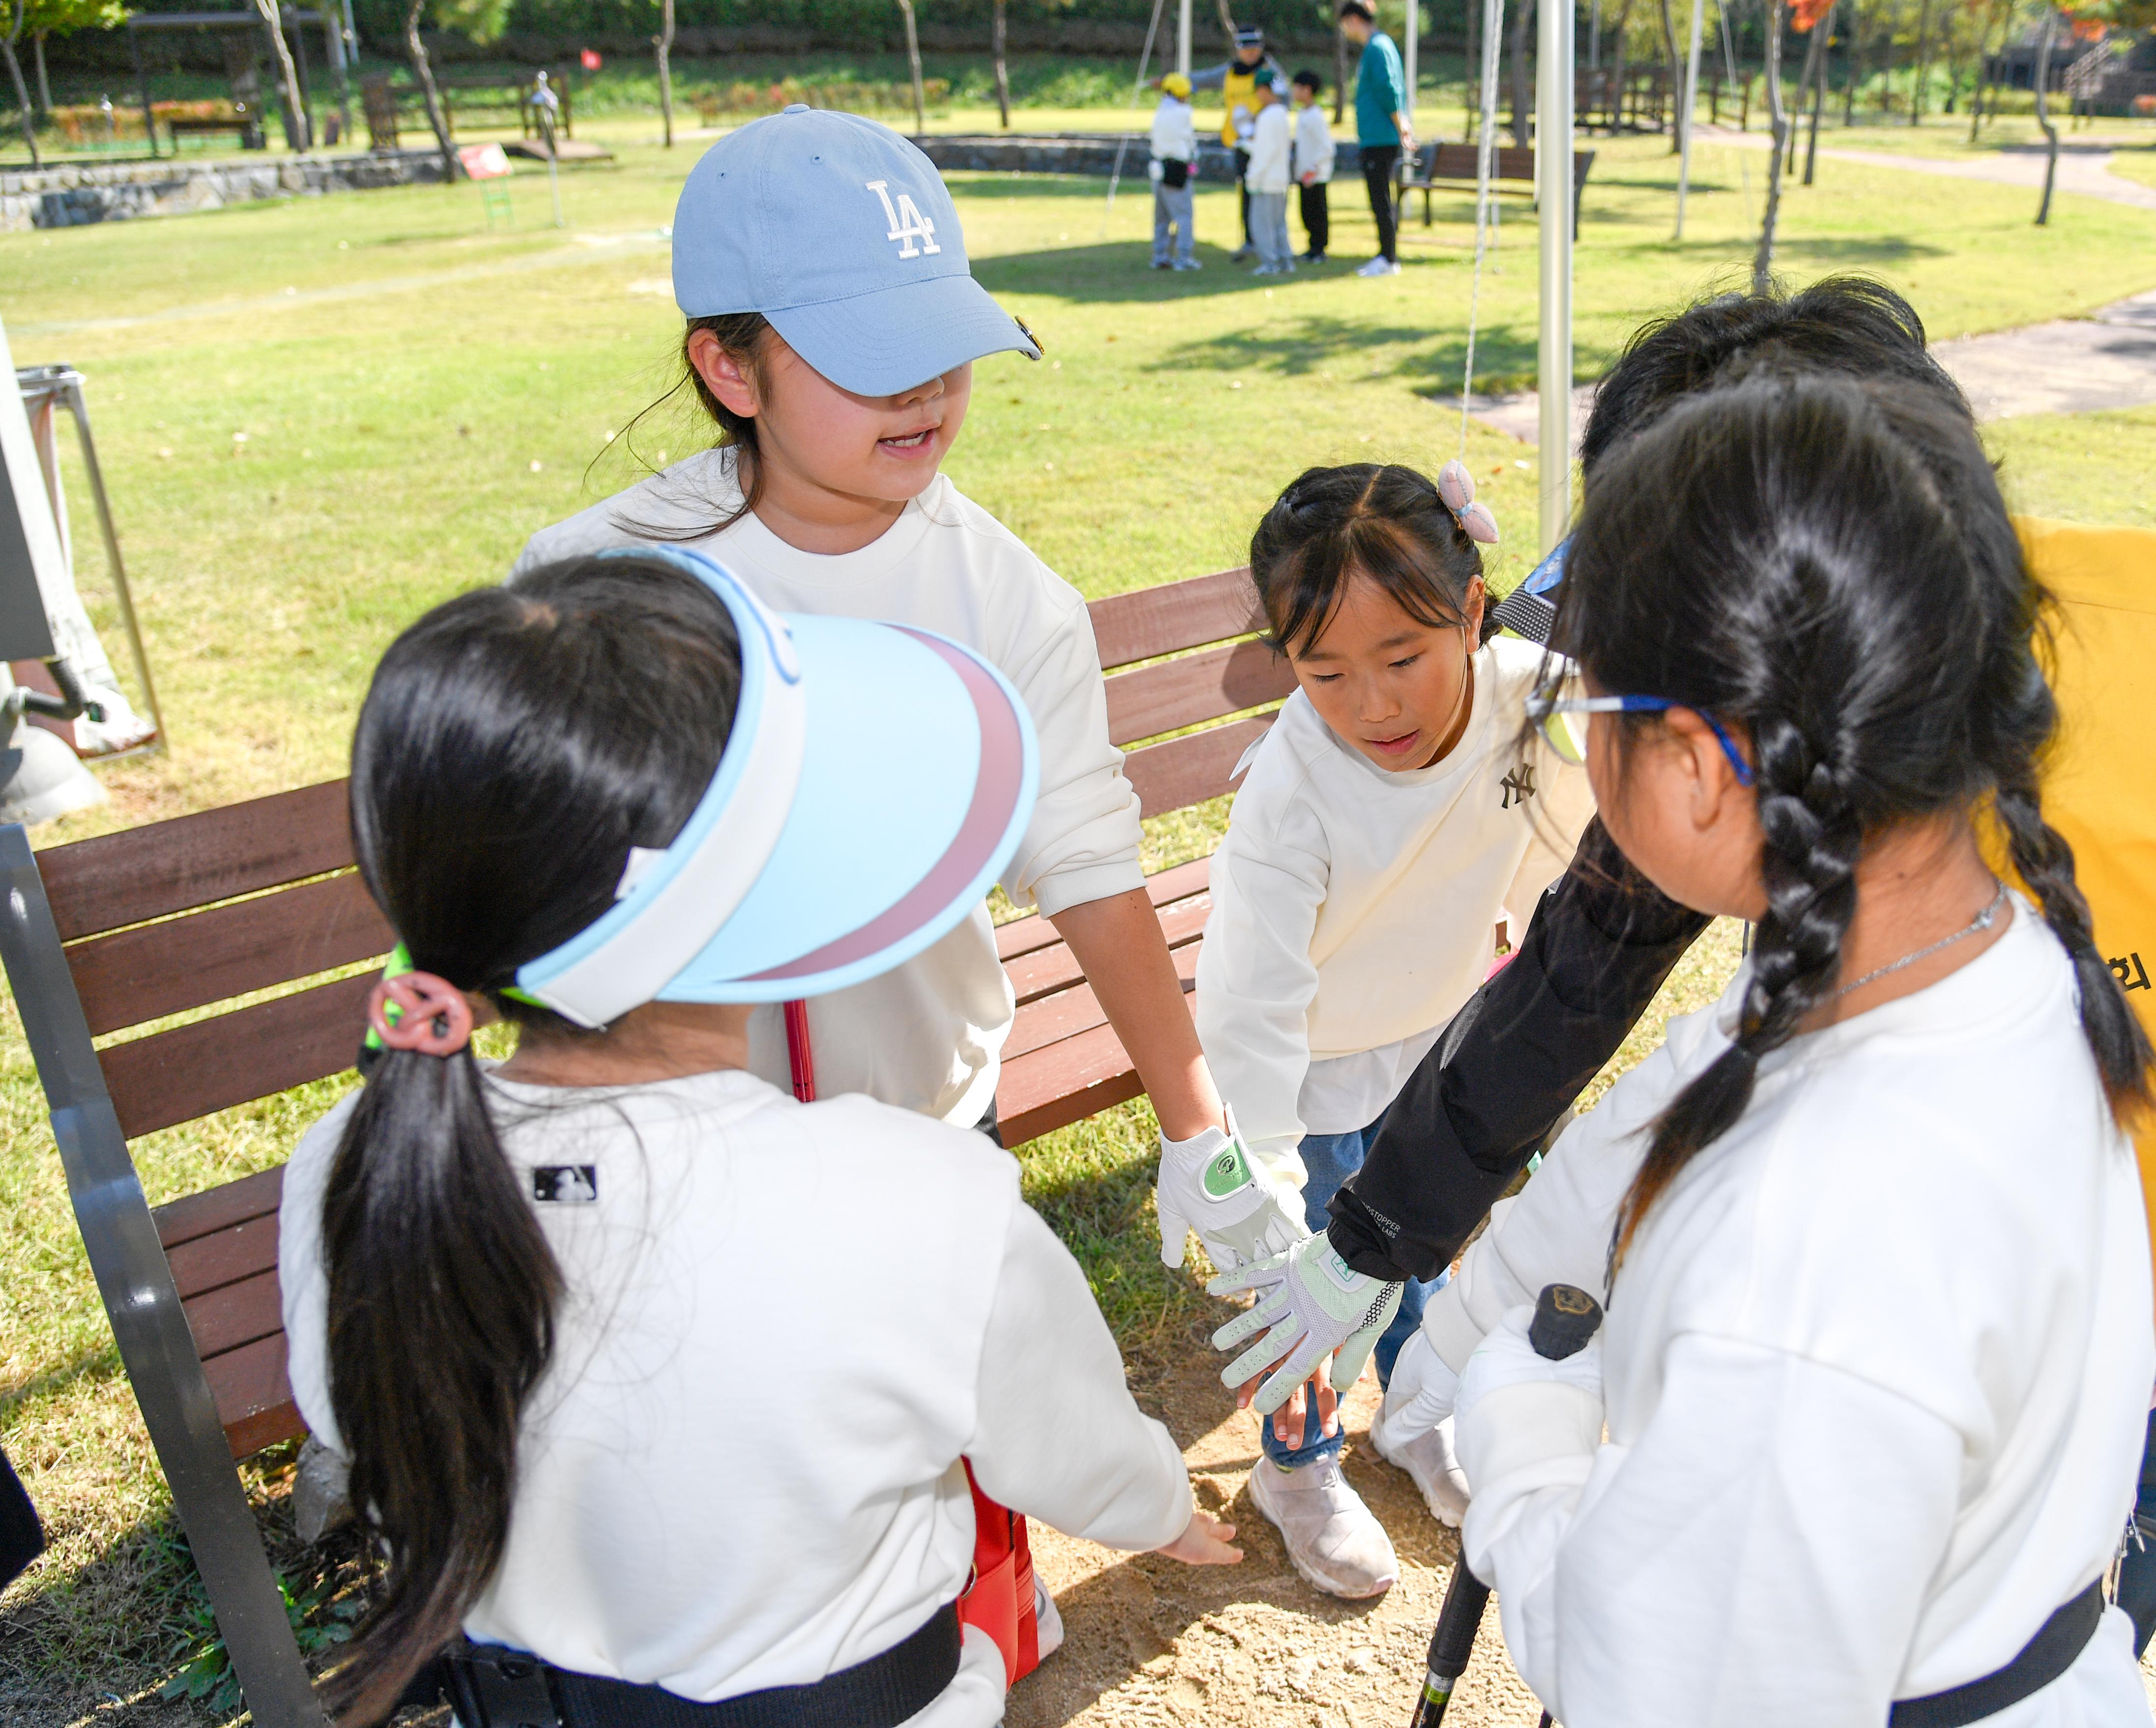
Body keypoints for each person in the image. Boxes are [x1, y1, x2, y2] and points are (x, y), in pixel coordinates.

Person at [1228, 277, 2156, 1651]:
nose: (1598, 723)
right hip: (2033, 1225)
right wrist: (1372, 1240)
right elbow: (1579, 978)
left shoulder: (2129, 671)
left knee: (2081, 1550)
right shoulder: (1770, 748)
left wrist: (1522, 1438)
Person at [282, 551, 1240, 1725]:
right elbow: (1069, 1449)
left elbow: (344, 1415)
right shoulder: (921, 1202)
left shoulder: (349, 1161)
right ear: (747, 891)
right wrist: (1160, 1510)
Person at [1423, 372, 2156, 1724]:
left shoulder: (1809, 1248)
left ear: (1702, 768)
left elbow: (1653, 1687)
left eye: (1587, 711)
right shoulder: (1996, 958)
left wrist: (1521, 1434)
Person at [518, 110, 1304, 1292]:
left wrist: (1198, 1131)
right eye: (865, 353)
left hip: (934, 1127)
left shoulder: (1008, 599)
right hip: (682, 1158)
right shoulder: (592, 587)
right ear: (729, 367)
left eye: (941, 340)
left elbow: (1088, 867)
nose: (927, 388)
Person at [1198, 461, 1591, 1597]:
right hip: (1311, 1062)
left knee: (1420, 1246)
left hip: (1435, 1028)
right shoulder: (1291, 791)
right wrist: (1258, 1173)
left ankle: (1414, 1412)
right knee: (1314, 1273)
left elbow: (1560, 831)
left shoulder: (1527, 694)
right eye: (1324, 672)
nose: (1371, 704)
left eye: (1403, 660)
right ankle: (1296, 1462)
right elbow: (1247, 1006)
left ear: (1472, 611)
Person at [1189, 26, 1281, 261]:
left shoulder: (1270, 71)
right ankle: (1250, 240)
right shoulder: (1230, 71)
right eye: (1246, 48)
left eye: (1255, 48)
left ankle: (1271, 242)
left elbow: (1285, 96)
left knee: (1268, 193)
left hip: (1264, 142)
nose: (1251, 53)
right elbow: (1202, 79)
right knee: (1247, 192)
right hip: (1239, 143)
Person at [1337, 0, 1410, 277]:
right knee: (1380, 198)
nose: (1345, 31)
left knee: (1380, 199)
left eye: (1345, 25)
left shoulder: (1377, 47)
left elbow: (1388, 87)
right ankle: (1386, 255)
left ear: (1354, 20)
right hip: (1376, 137)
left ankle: (1388, 258)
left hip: (1380, 138)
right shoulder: (1380, 45)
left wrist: (1400, 124)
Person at [1148, 71, 1201, 270]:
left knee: (1161, 218)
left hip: (1158, 167)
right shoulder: (1184, 112)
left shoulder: (1160, 112)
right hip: (1177, 169)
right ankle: (1184, 258)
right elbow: (1190, 142)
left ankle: (1160, 255)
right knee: (1184, 216)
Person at [1243, 77, 1295, 276]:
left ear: (1265, 90)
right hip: (1280, 179)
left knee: (1262, 226)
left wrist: (1253, 177)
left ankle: (1269, 263)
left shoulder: (1267, 117)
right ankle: (1285, 260)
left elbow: (1264, 152)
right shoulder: (1282, 114)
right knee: (1279, 224)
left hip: (1265, 180)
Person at [1290, 70, 1336, 263]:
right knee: (1307, 212)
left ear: (1307, 90)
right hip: (1305, 174)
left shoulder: (1316, 117)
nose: (1294, 92)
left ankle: (1319, 249)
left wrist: (1313, 169)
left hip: (1315, 175)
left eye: (1297, 88)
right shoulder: (1304, 114)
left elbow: (1327, 147)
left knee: (1317, 213)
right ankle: (1312, 248)